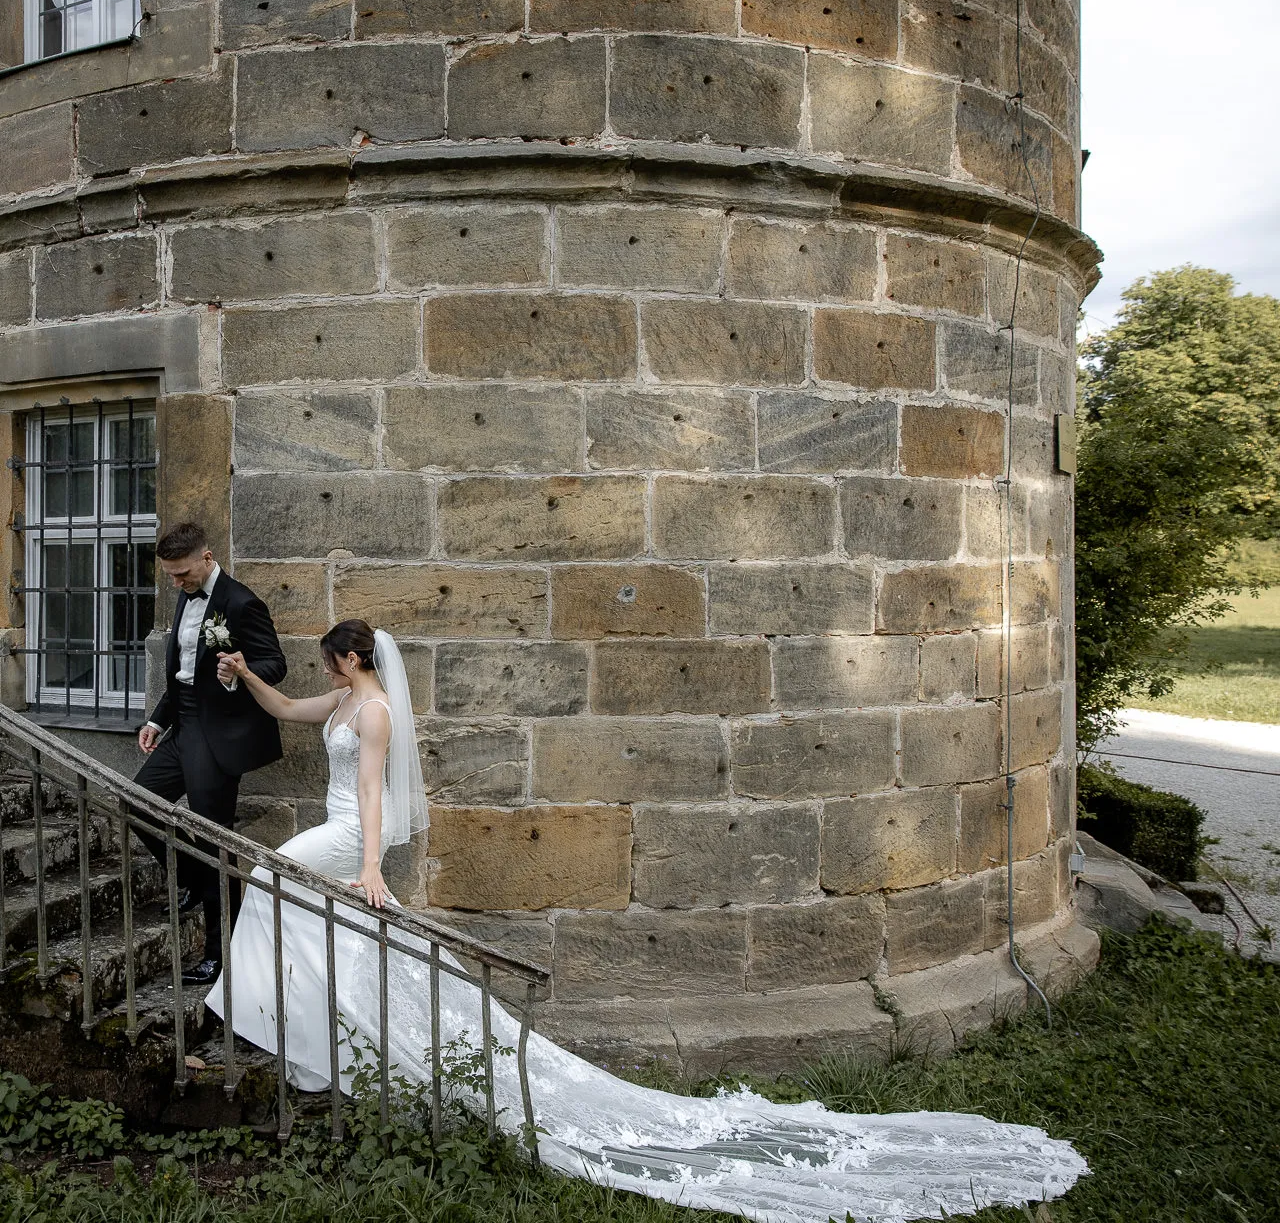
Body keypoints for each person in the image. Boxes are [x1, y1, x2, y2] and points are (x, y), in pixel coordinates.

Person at [210, 620, 1090, 1223]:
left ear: (355, 665)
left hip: (345, 830)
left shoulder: (376, 713)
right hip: (335, 824)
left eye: (331, 665)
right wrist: (244, 675)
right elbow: (287, 713)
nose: (323, 677)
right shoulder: (336, 703)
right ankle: (306, 1011)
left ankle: (276, 1008)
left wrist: (368, 862)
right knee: (292, 896)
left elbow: (369, 792)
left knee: (266, 874)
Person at [133, 522, 286, 986]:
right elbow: (182, 671)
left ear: (207, 556)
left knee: (215, 841)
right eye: (172, 577)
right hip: (182, 725)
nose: (177, 584)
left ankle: (221, 956)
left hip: (218, 736)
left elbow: (275, 664)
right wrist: (157, 719)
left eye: (182, 574)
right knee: (136, 800)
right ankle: (199, 882)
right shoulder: (187, 592)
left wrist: (238, 670)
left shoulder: (241, 602)